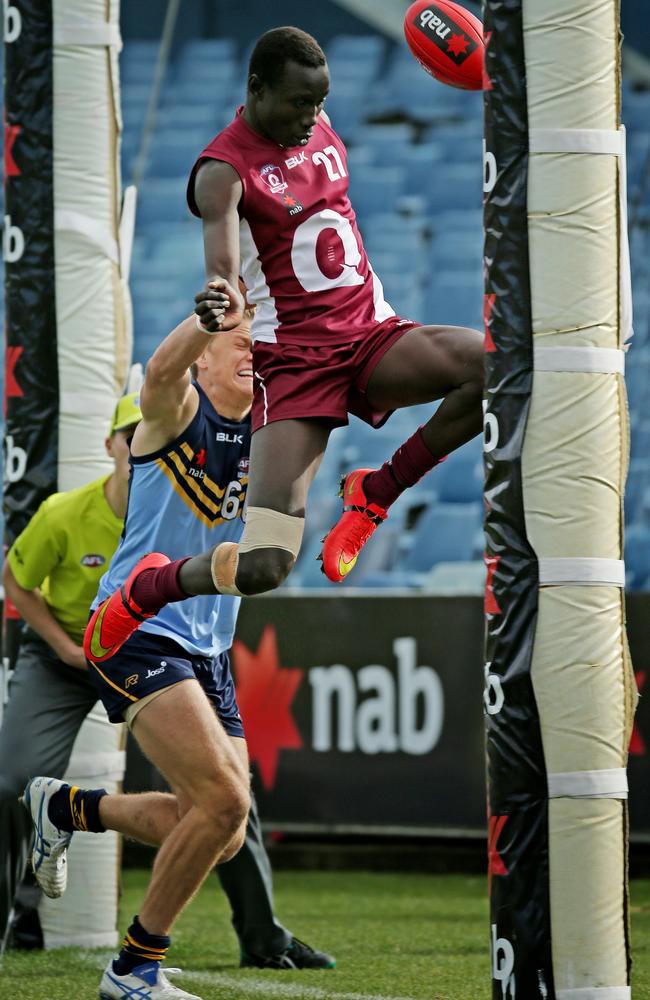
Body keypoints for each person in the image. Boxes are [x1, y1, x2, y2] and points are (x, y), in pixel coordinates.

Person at [77, 24, 484, 643]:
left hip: (370, 333)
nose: (312, 115)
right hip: (295, 362)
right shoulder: (221, 170)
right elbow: (223, 271)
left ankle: (375, 492)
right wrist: (221, 296)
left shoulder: (316, 125)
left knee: (491, 366)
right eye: (299, 102)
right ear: (256, 90)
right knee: (266, 563)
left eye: (319, 101)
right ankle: (149, 586)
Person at [19, 317, 333, 999]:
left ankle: (70, 810)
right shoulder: (175, 412)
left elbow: (272, 553)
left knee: (217, 828)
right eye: (240, 343)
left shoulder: (271, 436)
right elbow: (160, 375)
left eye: (258, 344)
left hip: (209, 644)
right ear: (206, 363)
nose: (255, 352)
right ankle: (134, 969)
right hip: (134, 628)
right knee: (226, 801)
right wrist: (205, 319)